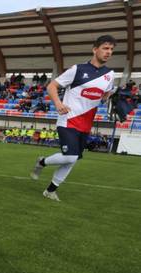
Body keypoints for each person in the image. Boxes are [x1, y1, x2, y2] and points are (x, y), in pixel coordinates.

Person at [31, 35, 116, 201]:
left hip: (86, 124)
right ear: (95, 49)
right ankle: (42, 162)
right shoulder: (78, 69)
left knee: (73, 159)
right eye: (105, 48)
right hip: (68, 119)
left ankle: (50, 190)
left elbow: (105, 96)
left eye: (111, 49)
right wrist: (58, 103)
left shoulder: (110, 75)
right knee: (70, 156)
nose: (109, 52)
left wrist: (112, 98)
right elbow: (52, 86)